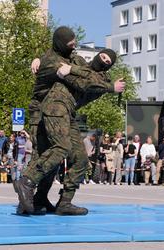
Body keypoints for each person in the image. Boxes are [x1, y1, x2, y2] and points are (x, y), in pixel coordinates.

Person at [15, 26, 125, 215]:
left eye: (108, 61)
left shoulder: (99, 78)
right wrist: (39, 59)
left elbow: (84, 81)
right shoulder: (79, 61)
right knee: (51, 151)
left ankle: (62, 202)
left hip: (67, 113)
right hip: (50, 109)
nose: (103, 61)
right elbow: (56, 59)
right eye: (103, 56)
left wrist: (72, 71)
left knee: (79, 159)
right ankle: (28, 190)